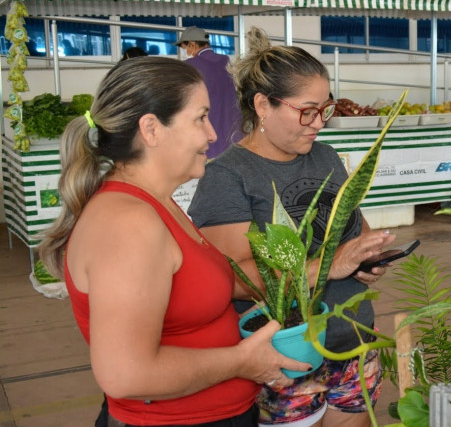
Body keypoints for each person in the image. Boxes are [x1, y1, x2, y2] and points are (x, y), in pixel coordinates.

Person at [36, 57, 308, 426]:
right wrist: (244, 361)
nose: (212, 134)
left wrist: (321, 269)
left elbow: (204, 286)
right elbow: (126, 375)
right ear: (151, 129)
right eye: (200, 118)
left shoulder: (158, 203)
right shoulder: (128, 223)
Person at [187, 27, 395, 427]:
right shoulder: (229, 176)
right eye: (307, 110)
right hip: (285, 359)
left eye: (325, 109)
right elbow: (230, 280)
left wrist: (370, 256)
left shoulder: (326, 157)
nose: (318, 123)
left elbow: (353, 232)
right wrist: (330, 265)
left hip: (351, 342)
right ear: (263, 105)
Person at [175, 26, 243, 159]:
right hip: (233, 129)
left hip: (209, 130)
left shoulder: (191, 65)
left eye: (186, 48)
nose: (187, 52)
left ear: (193, 44)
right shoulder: (225, 60)